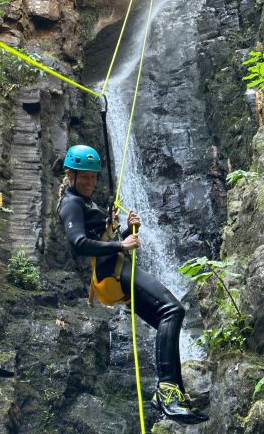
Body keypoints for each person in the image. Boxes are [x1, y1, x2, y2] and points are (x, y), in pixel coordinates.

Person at [59, 145, 208, 424]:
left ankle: (174, 393)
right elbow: (78, 243)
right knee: (172, 311)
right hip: (113, 272)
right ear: (71, 175)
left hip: (117, 268)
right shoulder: (71, 203)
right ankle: (165, 390)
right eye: (84, 177)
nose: (90, 182)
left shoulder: (86, 202)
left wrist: (127, 230)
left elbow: (103, 238)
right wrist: (122, 242)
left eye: (93, 177)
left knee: (170, 317)